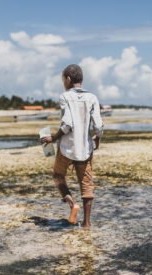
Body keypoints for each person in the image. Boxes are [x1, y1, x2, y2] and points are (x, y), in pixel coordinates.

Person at [41, 64, 104, 228]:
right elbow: (98, 125)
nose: (63, 83)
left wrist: (53, 138)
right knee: (86, 184)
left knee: (58, 176)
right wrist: (97, 138)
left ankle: (72, 204)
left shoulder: (65, 96)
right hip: (85, 149)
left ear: (68, 79)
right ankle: (87, 223)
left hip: (67, 149)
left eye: (63, 80)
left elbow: (67, 124)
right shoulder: (92, 97)